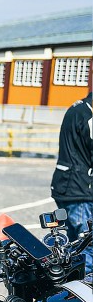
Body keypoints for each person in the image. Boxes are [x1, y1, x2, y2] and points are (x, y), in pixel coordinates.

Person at [50, 89, 93, 274]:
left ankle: (67, 288)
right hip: (79, 188)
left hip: (69, 185)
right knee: (87, 245)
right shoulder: (88, 114)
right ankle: (82, 293)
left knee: (74, 244)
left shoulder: (77, 108)